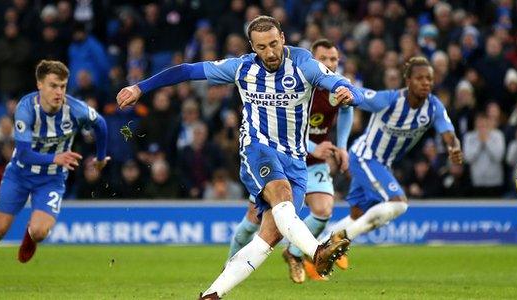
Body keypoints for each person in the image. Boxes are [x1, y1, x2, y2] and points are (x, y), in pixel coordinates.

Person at [115, 16, 362, 299]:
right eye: (261, 47)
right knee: (280, 195)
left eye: (273, 44)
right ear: (251, 46)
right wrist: (139, 87)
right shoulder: (241, 67)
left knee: (270, 236)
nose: (269, 52)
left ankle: (211, 295)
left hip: (295, 159)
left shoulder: (303, 63)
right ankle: (317, 252)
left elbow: (338, 82)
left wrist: (347, 92)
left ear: (282, 37)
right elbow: (186, 70)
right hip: (257, 148)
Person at [225, 38, 354, 283]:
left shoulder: (336, 88)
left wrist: (343, 147)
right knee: (253, 219)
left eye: (334, 59)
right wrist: (315, 146)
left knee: (324, 210)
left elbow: (348, 109)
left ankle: (295, 254)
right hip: (280, 159)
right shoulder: (297, 82)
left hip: (312, 163)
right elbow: (279, 132)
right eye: (323, 59)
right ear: (311, 60)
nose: (329, 63)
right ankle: (229, 265)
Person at [0, 60, 110, 287]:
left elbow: (102, 124)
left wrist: (100, 157)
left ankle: (31, 234)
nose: (59, 92)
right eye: (53, 85)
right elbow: (24, 153)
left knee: (39, 232)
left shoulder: (75, 109)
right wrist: (56, 157)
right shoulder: (25, 109)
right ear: (39, 85)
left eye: (63, 86)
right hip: (19, 173)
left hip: (52, 179)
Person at [317, 57, 462, 269]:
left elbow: (448, 132)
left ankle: (317, 251)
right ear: (408, 80)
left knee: (357, 215)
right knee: (398, 202)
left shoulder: (433, 107)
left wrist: (454, 147)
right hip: (365, 157)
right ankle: (340, 239)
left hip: (382, 164)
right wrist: (345, 90)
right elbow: (361, 95)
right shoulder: (390, 100)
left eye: (429, 79)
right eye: (420, 78)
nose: (425, 83)